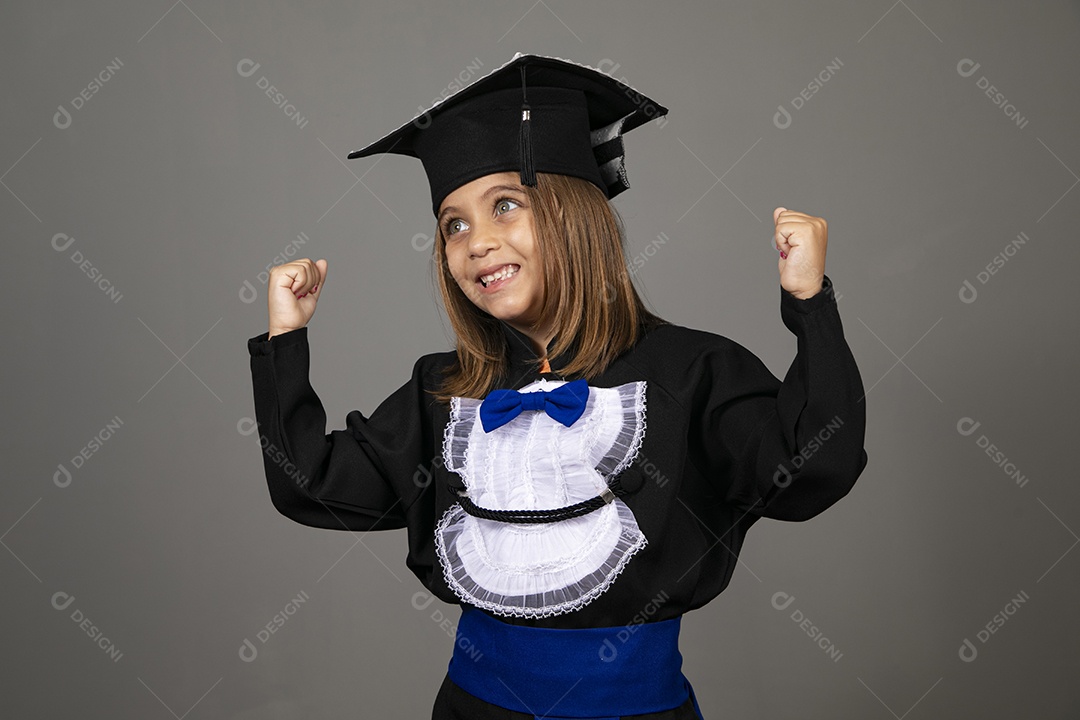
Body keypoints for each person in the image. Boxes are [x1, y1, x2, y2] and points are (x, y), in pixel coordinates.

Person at [246, 53, 868, 720]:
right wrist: (286, 342)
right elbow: (310, 484)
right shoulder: (445, 390)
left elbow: (813, 468)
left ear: (575, 214)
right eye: (453, 224)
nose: (476, 242)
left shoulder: (693, 372)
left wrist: (810, 306)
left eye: (505, 205)